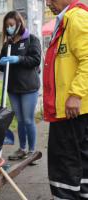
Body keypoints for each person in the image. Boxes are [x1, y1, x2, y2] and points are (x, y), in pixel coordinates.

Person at [43, 0, 88, 199]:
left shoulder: (76, 18)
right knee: (80, 160)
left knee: (64, 161)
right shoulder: (66, 20)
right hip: (72, 109)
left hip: (70, 109)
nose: (48, 3)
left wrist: (75, 94)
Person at [0, 11, 41, 160]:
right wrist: (1, 63)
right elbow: (0, 65)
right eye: (7, 25)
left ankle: (32, 151)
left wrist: (18, 59)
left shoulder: (31, 40)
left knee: (28, 120)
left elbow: (35, 60)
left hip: (29, 88)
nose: (9, 28)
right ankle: (22, 149)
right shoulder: (7, 44)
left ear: (19, 24)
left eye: (11, 25)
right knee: (20, 120)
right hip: (12, 88)